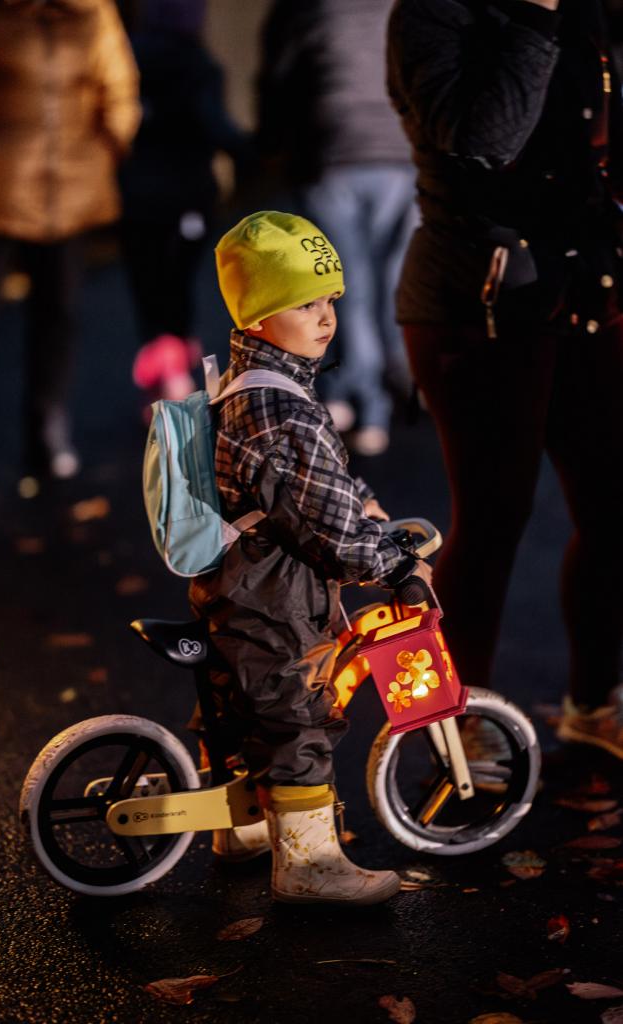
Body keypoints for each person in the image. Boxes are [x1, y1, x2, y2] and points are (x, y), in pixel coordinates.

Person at [387, 0, 623, 757]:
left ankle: (593, 705)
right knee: (491, 520)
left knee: (611, 507)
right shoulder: (434, 12)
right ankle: (453, 730)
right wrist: (534, 15)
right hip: (475, 303)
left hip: (582, 290)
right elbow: (485, 139)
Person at [189, 210, 432, 904]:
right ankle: (309, 865)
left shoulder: (258, 384)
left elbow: (318, 484)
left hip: (240, 588)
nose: (326, 317)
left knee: (242, 713)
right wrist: (394, 565)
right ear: (258, 316)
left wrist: (365, 503)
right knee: (297, 717)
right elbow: (332, 534)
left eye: (330, 299)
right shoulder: (282, 409)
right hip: (271, 600)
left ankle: (242, 829)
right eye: (303, 303)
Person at [0, 0, 140, 486]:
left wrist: (106, 150)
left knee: (59, 316)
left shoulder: (94, 12)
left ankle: (49, 435)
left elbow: (121, 89)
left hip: (71, 193)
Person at [257, 0, 419, 456]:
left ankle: (365, 402)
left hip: (330, 148)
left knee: (345, 285)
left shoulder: (304, 9)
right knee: (389, 282)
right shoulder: (397, 8)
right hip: (397, 150)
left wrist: (270, 145)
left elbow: (277, 77)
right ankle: (390, 385)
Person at [121, 0, 253, 410]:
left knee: (148, 288)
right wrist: (253, 153)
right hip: (186, 194)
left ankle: (158, 379)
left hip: (134, 195)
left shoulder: (125, 58)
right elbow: (214, 125)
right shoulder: (198, 65)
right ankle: (174, 377)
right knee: (177, 288)